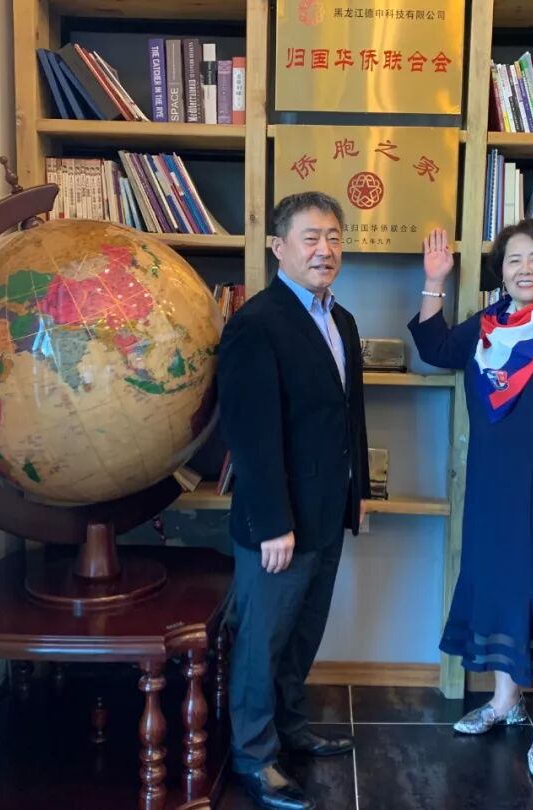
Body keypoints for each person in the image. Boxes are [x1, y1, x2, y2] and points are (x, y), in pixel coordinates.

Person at [407, 218, 533, 778]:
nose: (524, 270)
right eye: (513, 261)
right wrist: (435, 281)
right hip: (493, 490)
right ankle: (505, 701)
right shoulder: (490, 326)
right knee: (500, 590)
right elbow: (435, 348)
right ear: (500, 272)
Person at [217, 191, 369, 810]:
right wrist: (273, 524)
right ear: (279, 247)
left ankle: (290, 728)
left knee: (302, 635)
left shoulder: (342, 320)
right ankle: (254, 756)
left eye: (334, 237)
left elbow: (351, 417)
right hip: (278, 525)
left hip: (329, 511)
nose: (324, 249)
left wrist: (358, 494)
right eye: (311, 238)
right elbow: (250, 436)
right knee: (262, 643)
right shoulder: (256, 324)